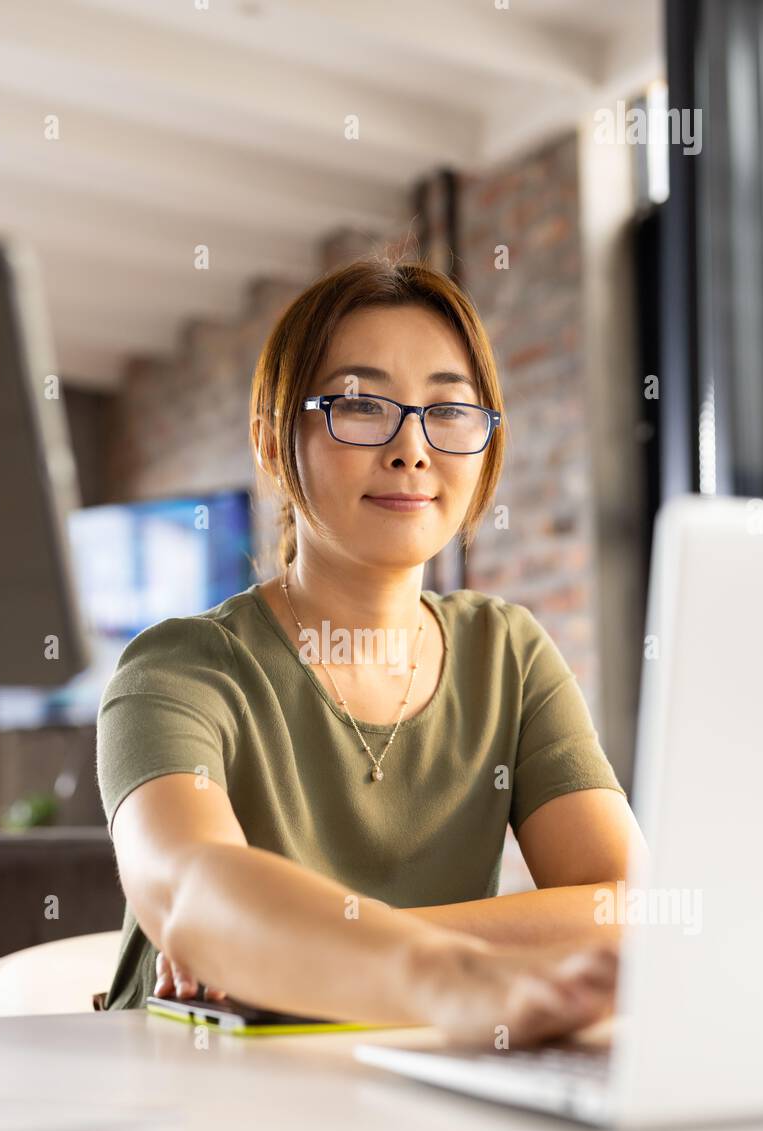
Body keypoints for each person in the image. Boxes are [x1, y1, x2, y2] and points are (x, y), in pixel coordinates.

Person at [96, 256, 647, 1047]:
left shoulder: (508, 653)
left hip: (419, 1077)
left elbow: (625, 904)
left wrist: (294, 941)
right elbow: (190, 892)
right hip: (195, 1097)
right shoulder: (177, 669)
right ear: (269, 439)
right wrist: (448, 975)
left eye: (448, 411)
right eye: (358, 405)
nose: (411, 448)